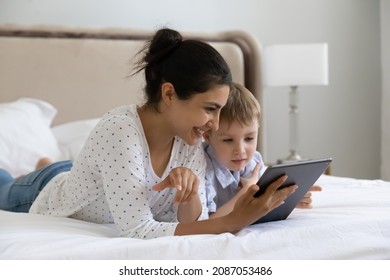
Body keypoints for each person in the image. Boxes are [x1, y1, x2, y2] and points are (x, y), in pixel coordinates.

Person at [0, 28, 297, 239]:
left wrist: (189, 196)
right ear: (169, 94)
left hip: (90, 178)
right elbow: (138, 229)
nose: (216, 125)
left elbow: (192, 221)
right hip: (42, 194)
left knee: (64, 168)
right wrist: (233, 221)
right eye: (210, 109)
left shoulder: (190, 138)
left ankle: (45, 164)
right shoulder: (120, 131)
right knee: (5, 182)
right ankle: (39, 169)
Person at [203, 83, 322, 218]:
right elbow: (208, 222)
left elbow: (261, 202)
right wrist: (246, 192)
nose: (240, 151)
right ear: (207, 136)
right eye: (228, 140)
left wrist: (289, 198)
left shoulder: (254, 161)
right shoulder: (201, 168)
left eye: (249, 138)